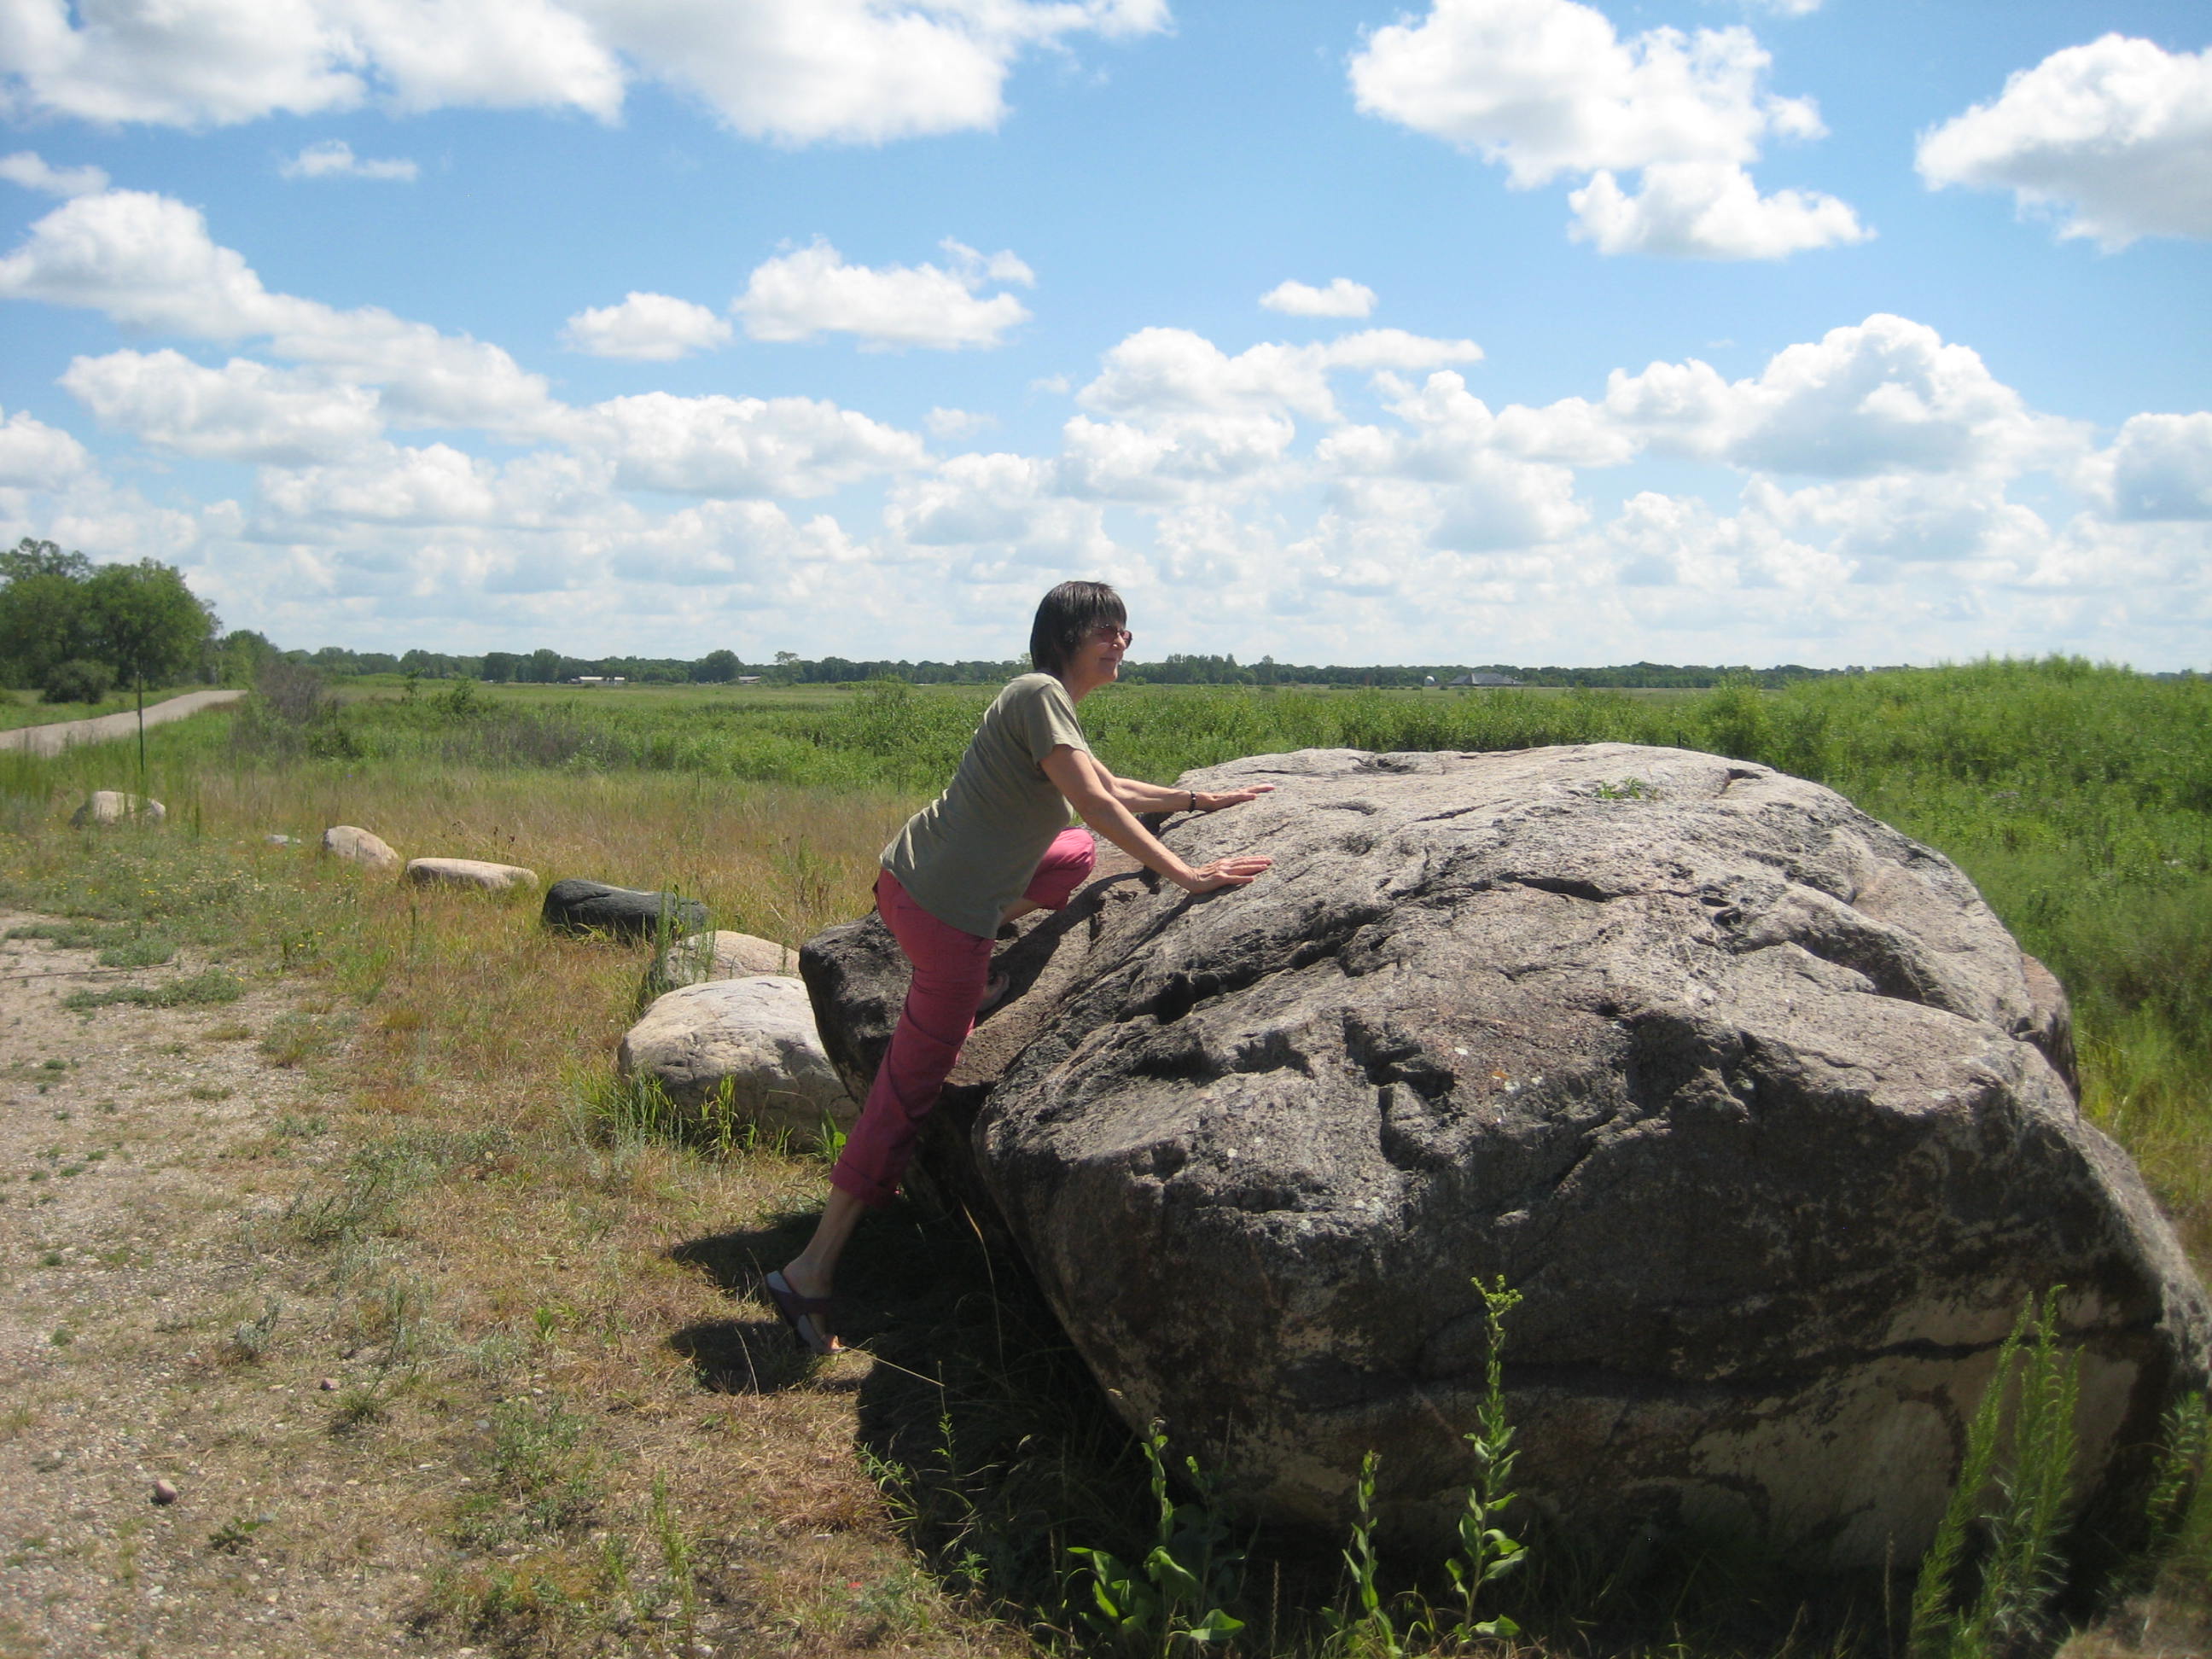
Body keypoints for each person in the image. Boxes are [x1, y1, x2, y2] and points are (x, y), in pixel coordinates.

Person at [766, 580, 1274, 1353]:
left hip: (903, 878)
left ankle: (985, 962)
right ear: (1065, 636)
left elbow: (1104, 792)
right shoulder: (1039, 691)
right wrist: (1191, 878)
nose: (1122, 641)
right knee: (903, 1100)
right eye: (1107, 628)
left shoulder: (1044, 703)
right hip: (944, 926)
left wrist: (1199, 801)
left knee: (1071, 855)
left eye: (1126, 630)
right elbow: (1101, 805)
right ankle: (810, 1269)